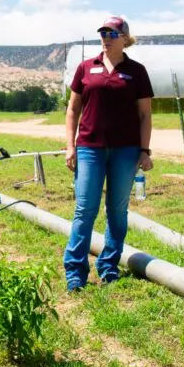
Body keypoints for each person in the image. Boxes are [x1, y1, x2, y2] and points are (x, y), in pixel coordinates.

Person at [62, 16, 154, 291]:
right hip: (90, 148)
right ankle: (75, 271)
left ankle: (109, 264)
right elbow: (72, 110)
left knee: (117, 209)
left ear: (125, 38)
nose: (106, 37)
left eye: (113, 33)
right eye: (103, 32)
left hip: (125, 150)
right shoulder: (86, 68)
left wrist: (145, 150)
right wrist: (71, 145)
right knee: (84, 209)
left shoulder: (136, 72)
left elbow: (145, 114)